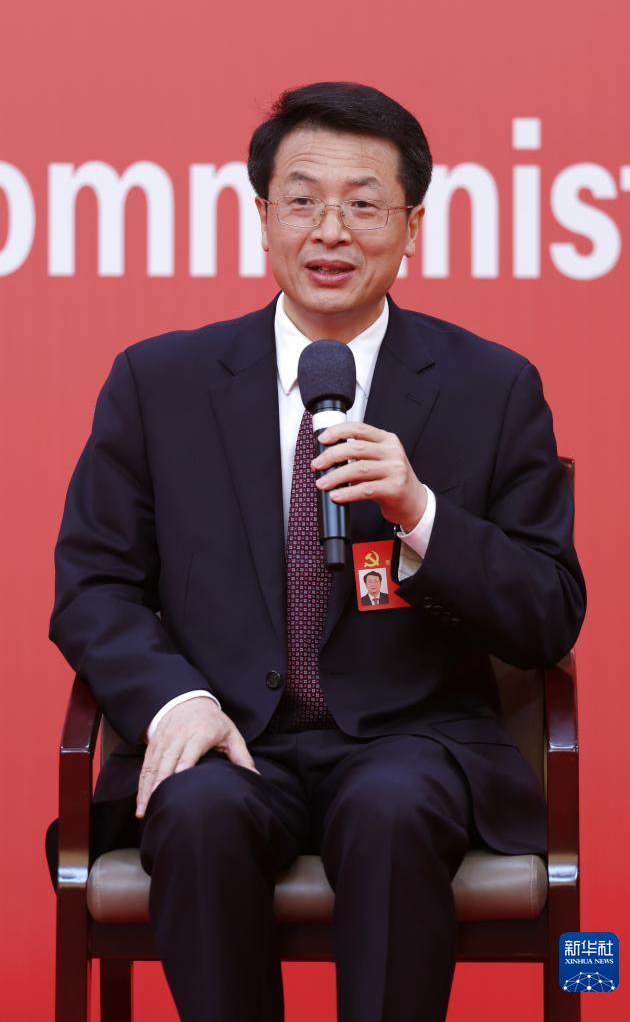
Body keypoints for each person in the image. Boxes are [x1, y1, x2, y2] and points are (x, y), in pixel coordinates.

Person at [48, 82, 586, 1021]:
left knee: (390, 809)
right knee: (198, 811)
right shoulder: (158, 383)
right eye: (302, 201)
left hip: (413, 740)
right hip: (227, 735)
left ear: (412, 227)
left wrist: (421, 512)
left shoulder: (492, 388)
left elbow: (548, 613)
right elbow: (93, 585)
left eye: (363, 204)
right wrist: (178, 701)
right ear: (262, 217)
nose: (329, 231)